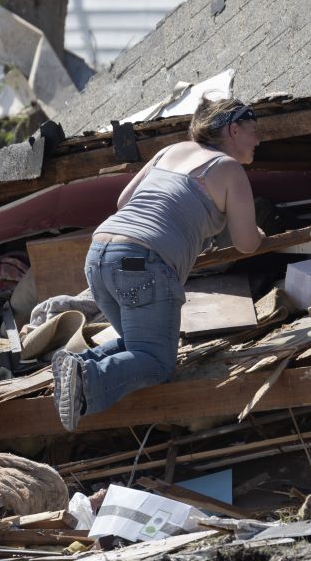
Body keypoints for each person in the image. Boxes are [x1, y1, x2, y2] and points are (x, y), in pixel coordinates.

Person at [51, 98, 265, 431]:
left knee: (141, 345)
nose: (258, 141)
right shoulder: (227, 168)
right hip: (141, 264)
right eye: (253, 132)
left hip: (100, 256)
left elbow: (123, 201)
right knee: (157, 361)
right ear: (233, 129)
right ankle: (87, 379)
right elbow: (247, 243)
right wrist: (257, 230)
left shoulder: (171, 151)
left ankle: (76, 364)